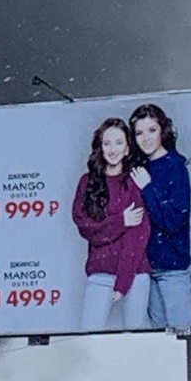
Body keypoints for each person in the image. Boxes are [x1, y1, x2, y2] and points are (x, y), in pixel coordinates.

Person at [71, 118, 151, 330]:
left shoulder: (136, 180)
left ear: (127, 148)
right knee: (89, 338)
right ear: (100, 147)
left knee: (134, 342)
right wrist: (121, 220)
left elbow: (138, 236)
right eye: (107, 143)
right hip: (100, 273)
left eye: (118, 143)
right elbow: (86, 228)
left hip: (134, 274)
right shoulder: (87, 182)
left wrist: (123, 283)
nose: (112, 150)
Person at [129, 103, 191, 330]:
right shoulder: (137, 167)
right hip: (145, 268)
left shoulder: (175, 167)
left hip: (172, 268)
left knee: (179, 335)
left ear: (163, 130)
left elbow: (175, 221)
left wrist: (148, 188)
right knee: (157, 341)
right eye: (139, 133)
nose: (145, 138)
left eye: (152, 130)